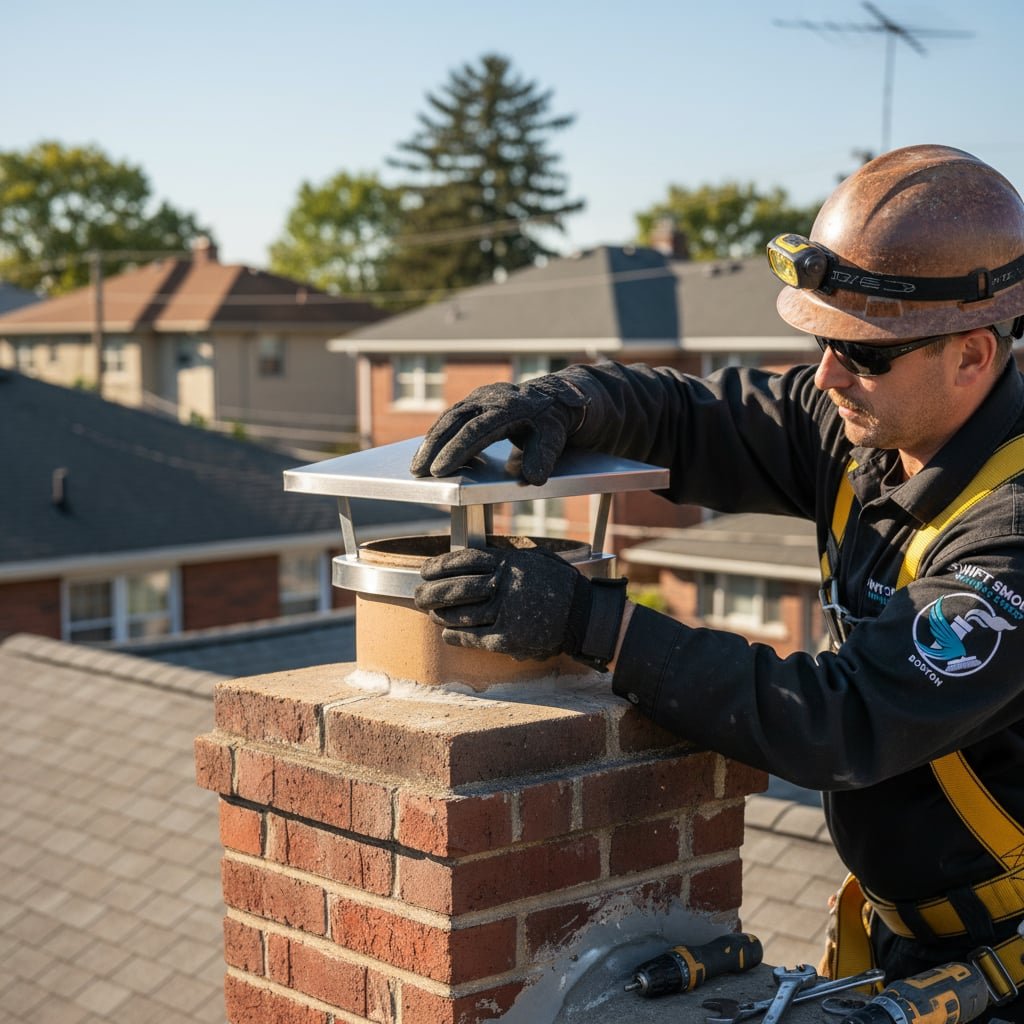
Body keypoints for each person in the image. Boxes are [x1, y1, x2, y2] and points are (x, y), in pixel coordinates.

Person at [410, 145, 1024, 1019]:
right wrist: (574, 400)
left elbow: (841, 722)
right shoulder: (866, 431)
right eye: (820, 341)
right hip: (916, 943)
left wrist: (593, 625)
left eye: (865, 354)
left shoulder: (1011, 533)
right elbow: (699, 420)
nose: (827, 375)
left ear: (972, 354)